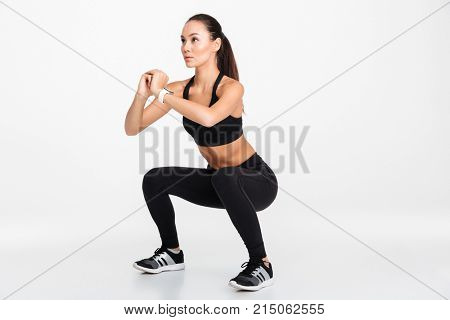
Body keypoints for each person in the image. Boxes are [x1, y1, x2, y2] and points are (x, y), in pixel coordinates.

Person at [124, 13, 278, 291]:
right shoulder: (178, 90)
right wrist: (142, 93)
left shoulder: (231, 88)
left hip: (256, 181)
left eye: (195, 40)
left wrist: (162, 94)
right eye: (183, 40)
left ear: (215, 44)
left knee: (225, 177)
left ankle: (262, 263)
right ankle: (172, 252)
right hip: (220, 181)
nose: (186, 47)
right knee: (155, 178)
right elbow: (132, 128)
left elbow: (208, 118)